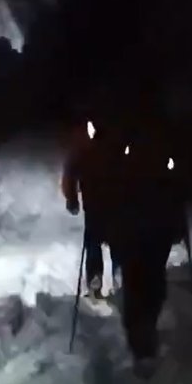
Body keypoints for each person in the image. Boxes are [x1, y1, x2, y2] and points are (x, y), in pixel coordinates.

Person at [111, 100, 192, 376]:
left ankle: (144, 340)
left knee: (148, 287)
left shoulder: (155, 155)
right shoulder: (134, 157)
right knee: (141, 287)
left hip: (149, 232)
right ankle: (142, 344)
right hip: (139, 233)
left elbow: (174, 188)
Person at [61, 104, 127, 297]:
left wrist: (72, 198)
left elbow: (71, 172)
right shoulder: (109, 147)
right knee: (111, 238)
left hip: (100, 201)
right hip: (108, 201)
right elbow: (71, 172)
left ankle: (98, 277)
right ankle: (111, 274)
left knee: (97, 239)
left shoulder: (89, 148)